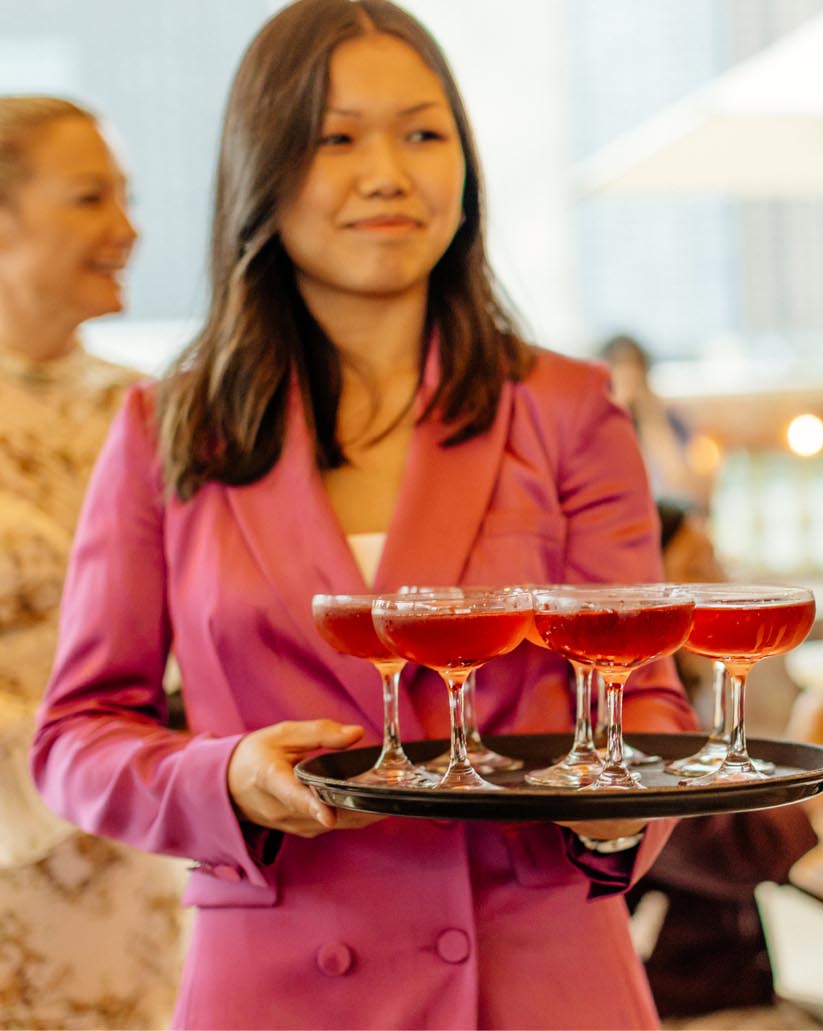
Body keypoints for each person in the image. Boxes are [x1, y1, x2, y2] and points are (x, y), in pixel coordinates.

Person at [29, 4, 695, 1029]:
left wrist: (612, 820)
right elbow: (76, 737)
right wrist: (223, 776)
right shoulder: (169, 426)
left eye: (423, 133)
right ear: (263, 166)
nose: (387, 174)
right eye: (337, 139)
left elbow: (643, 695)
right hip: (277, 986)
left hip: (540, 978)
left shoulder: (567, 409)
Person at [0, 95, 186, 1029]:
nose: (128, 228)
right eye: (89, 198)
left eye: (127, 197)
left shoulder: (151, 412)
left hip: (134, 877)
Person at [628, 501, 823, 1028]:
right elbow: (736, 855)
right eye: (696, 570)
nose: (719, 587)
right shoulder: (632, 721)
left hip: (731, 991)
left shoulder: (683, 705)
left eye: (719, 566)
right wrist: (810, 747)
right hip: (675, 1007)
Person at [600, 334, 712, 508]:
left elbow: (680, 484)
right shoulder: (594, 424)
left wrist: (648, 412)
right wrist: (614, 410)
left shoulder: (670, 420)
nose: (628, 380)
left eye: (634, 371)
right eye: (618, 369)